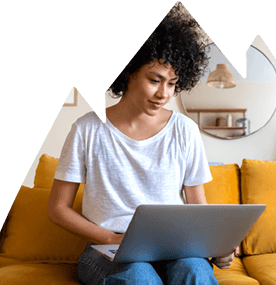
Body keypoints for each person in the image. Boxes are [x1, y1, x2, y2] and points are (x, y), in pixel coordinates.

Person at [47, 4, 237, 285]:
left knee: (195, 271)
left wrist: (215, 248)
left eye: (172, 83)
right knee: (139, 276)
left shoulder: (185, 130)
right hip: (107, 250)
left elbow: (198, 207)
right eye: (154, 80)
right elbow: (57, 208)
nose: (164, 94)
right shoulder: (88, 129)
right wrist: (112, 238)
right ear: (128, 72)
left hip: (175, 249)